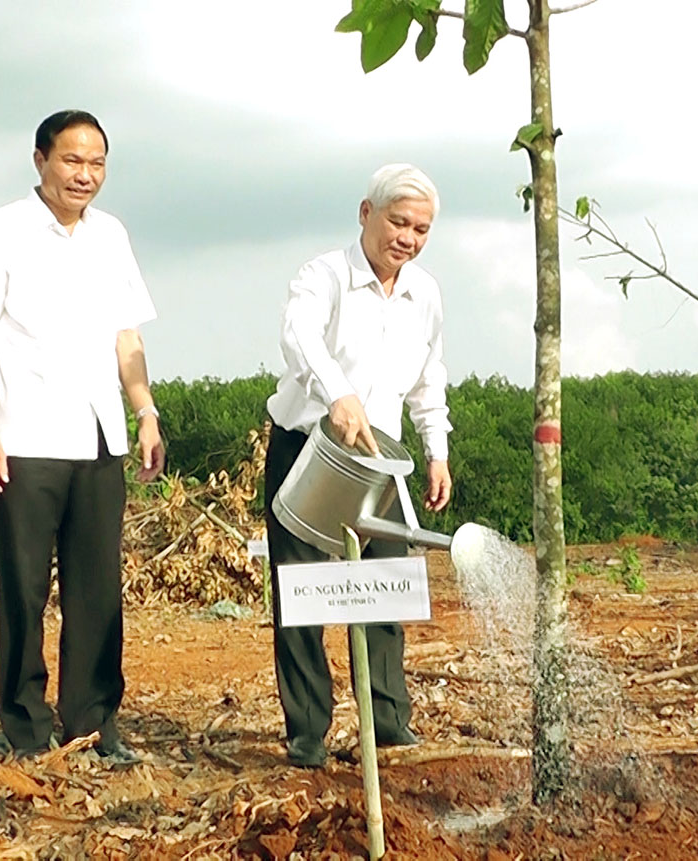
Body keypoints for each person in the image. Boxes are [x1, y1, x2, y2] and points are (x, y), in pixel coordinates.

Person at [0, 110, 164, 762]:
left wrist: (144, 410)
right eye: (72, 160)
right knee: (24, 589)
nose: (85, 174)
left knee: (97, 592)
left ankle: (93, 724)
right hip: (24, 437)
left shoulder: (111, 236)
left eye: (97, 163)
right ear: (40, 159)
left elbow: (128, 336)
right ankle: (26, 727)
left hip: (98, 436)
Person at [265, 163, 453, 768]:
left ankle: (389, 722)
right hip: (310, 445)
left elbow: (430, 377)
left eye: (421, 229)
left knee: (383, 588)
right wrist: (338, 394)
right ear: (367, 214)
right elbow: (300, 338)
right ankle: (307, 732)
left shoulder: (425, 293)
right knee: (302, 594)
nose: (408, 237)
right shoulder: (323, 276)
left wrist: (436, 448)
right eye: (399, 222)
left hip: (383, 460)